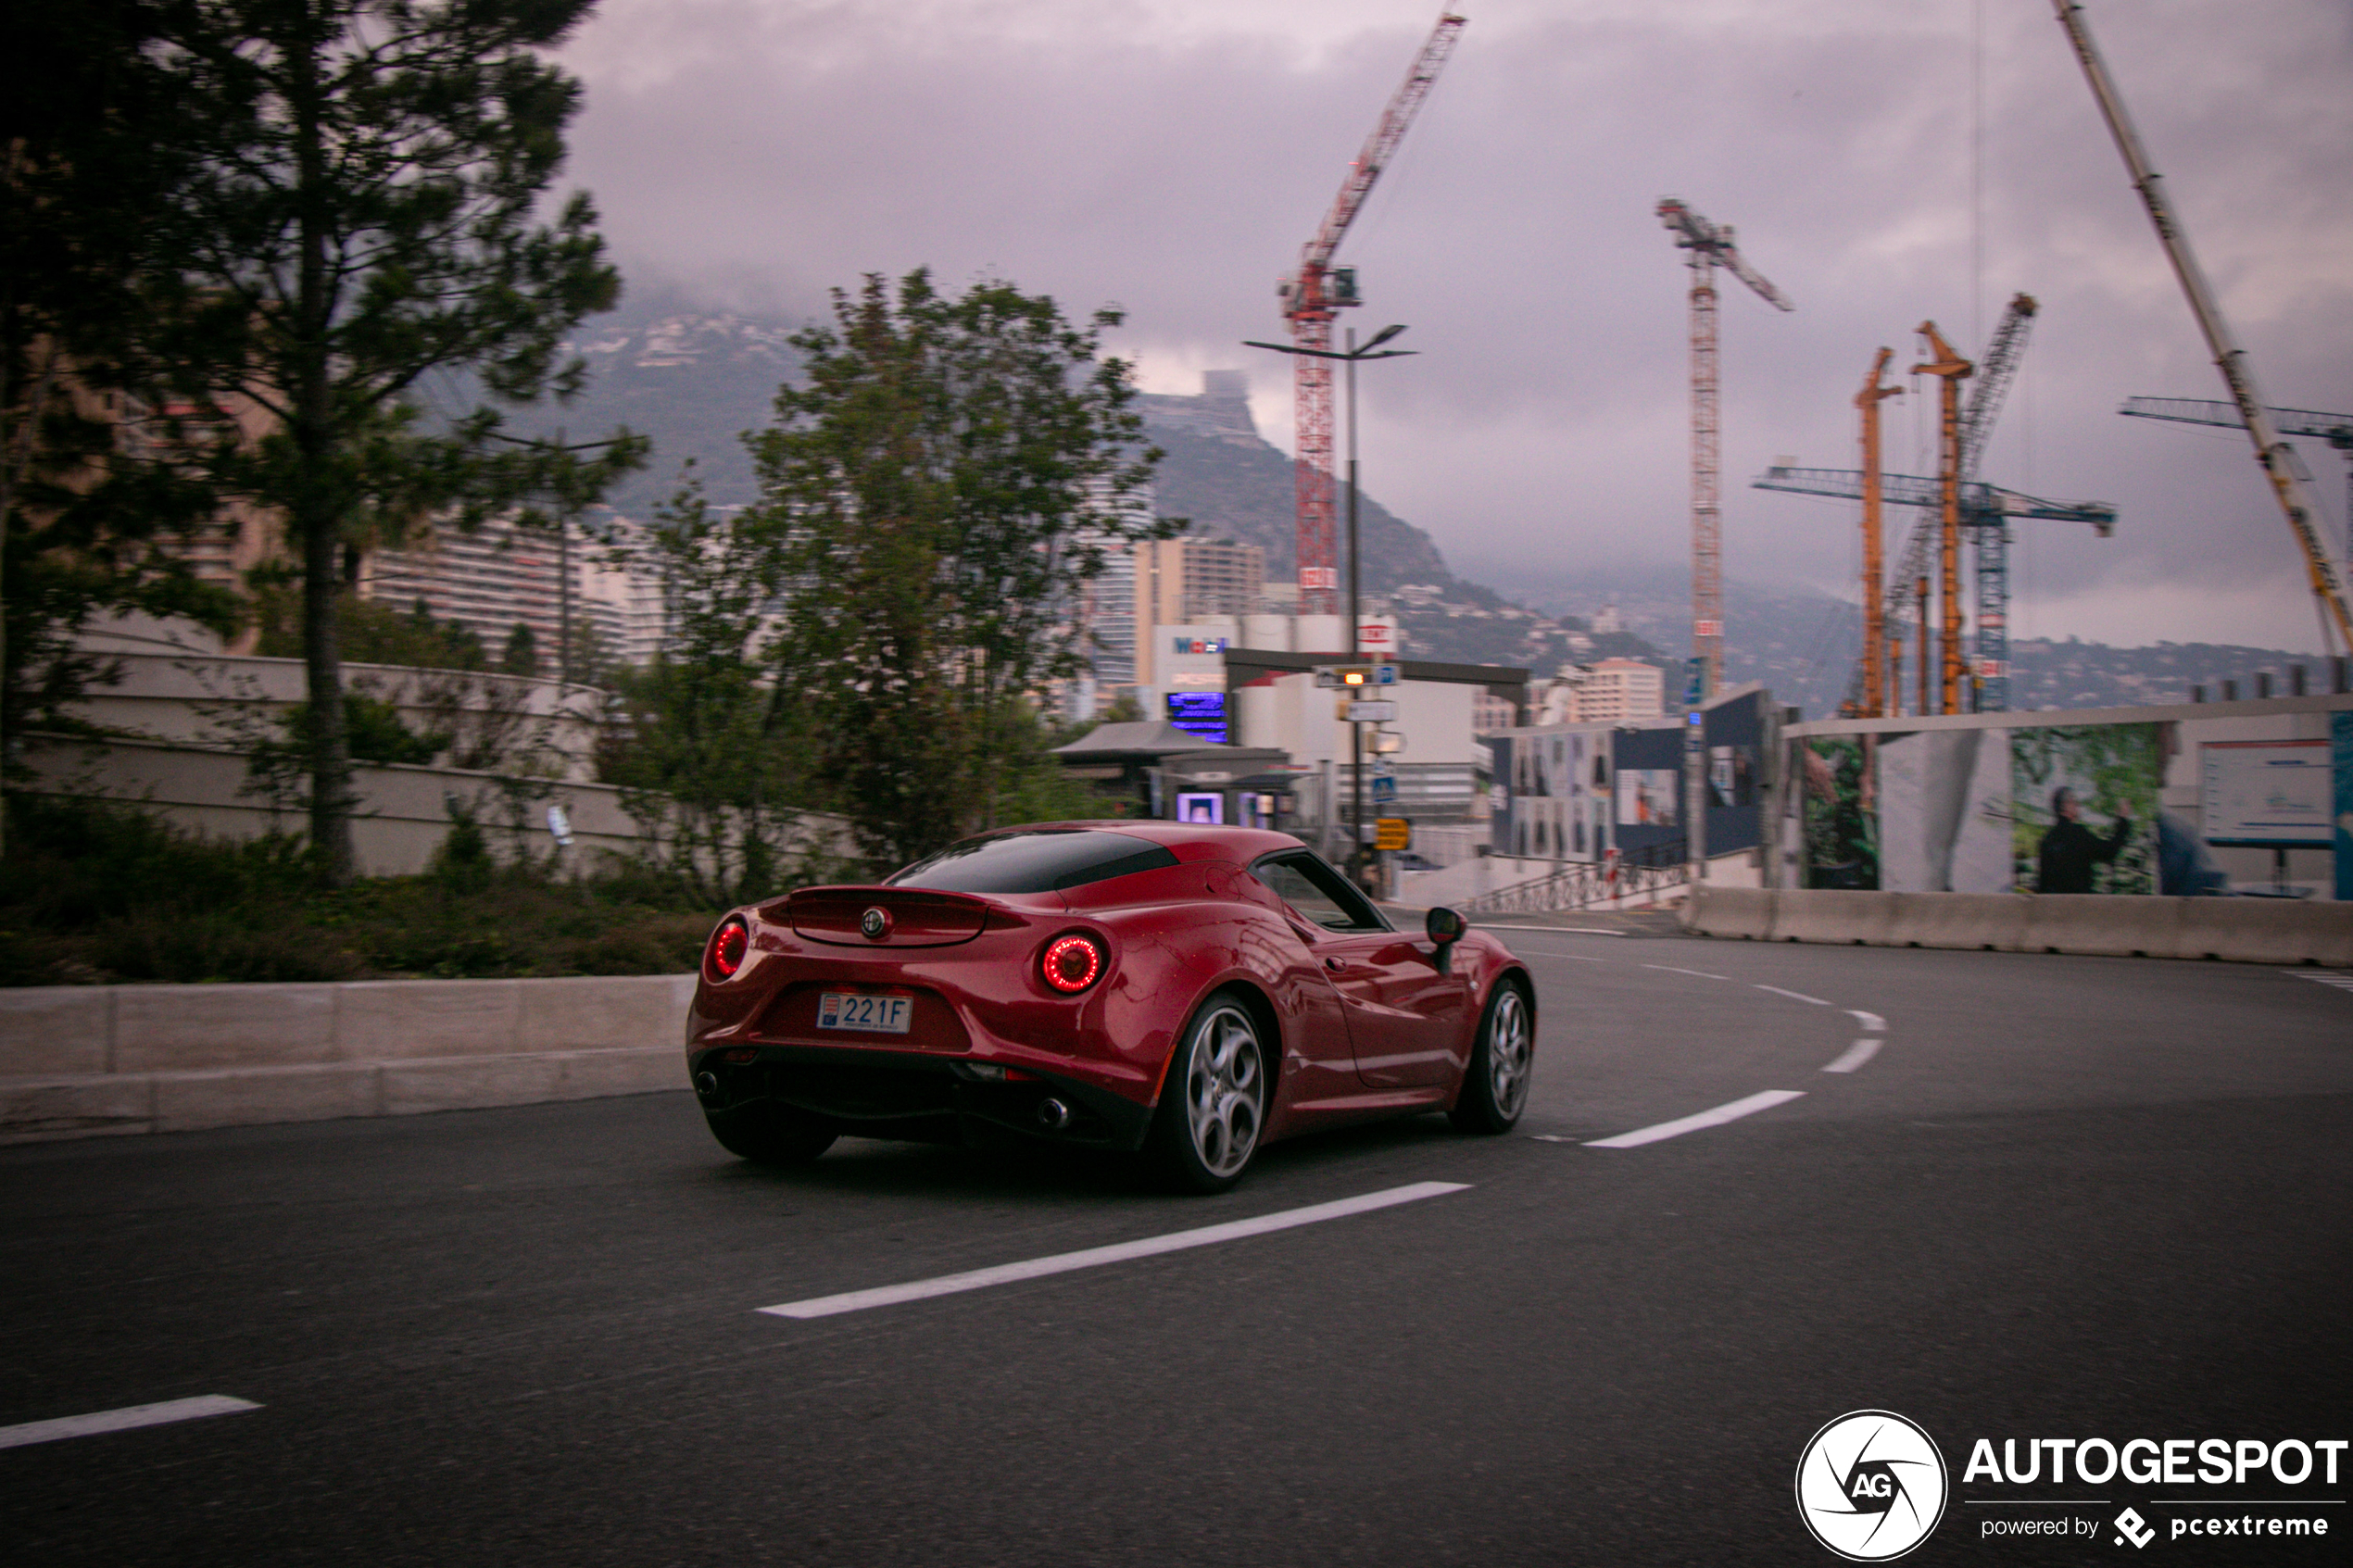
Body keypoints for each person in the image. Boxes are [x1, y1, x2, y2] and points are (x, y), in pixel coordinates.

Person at [2035, 786, 2133, 894]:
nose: (2078, 805)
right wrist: (2123, 820)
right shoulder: (2078, 834)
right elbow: (2109, 851)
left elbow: (2042, 883)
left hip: (2054, 906)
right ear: (2066, 806)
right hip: (2079, 905)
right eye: (2074, 802)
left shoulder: (2047, 840)